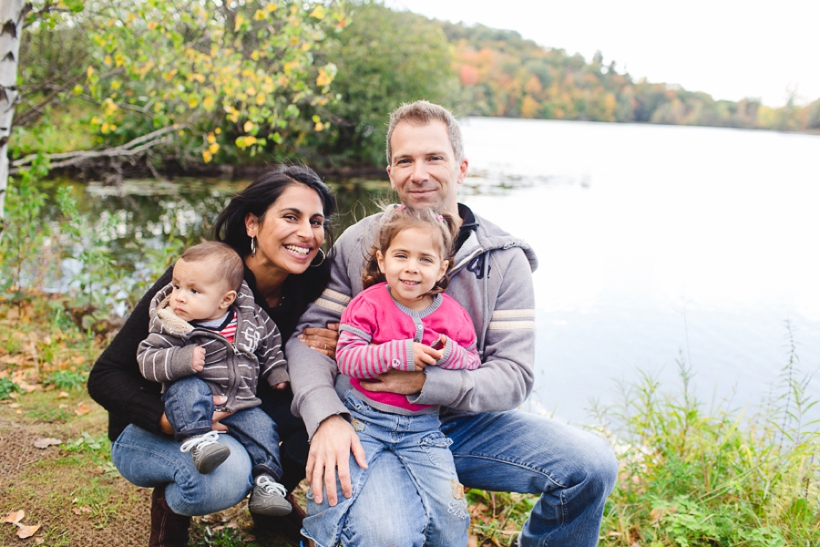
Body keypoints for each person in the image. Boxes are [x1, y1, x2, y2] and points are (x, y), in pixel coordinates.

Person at [288, 101, 619, 547]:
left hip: (465, 423)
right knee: (388, 536)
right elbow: (309, 340)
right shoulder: (361, 241)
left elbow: (512, 377)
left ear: (461, 167)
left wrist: (424, 381)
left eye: (434, 158)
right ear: (390, 173)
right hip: (372, 420)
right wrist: (327, 417)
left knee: (591, 464)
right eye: (405, 160)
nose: (418, 173)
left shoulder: (503, 260)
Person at [88, 165, 338, 547]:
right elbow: (105, 375)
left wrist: (344, 339)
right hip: (161, 419)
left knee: (330, 411)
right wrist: (165, 420)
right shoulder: (202, 278)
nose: (308, 233)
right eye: (291, 217)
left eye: (316, 221)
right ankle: (171, 515)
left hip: (242, 409)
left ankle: (270, 497)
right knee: (219, 481)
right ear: (252, 224)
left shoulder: (311, 280)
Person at [302, 206, 479, 547]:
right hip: (364, 421)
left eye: (425, 260)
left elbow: (472, 360)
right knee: (333, 489)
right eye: (401, 256)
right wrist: (402, 352)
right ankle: (316, 539)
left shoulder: (453, 316)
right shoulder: (368, 305)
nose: (412, 268)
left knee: (451, 508)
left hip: (422, 430)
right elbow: (348, 358)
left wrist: (448, 354)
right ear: (383, 261)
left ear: (442, 268)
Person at [136, 241, 292, 516]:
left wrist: (276, 370)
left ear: (226, 300)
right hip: (192, 398)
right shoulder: (173, 325)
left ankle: (266, 483)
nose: (180, 297)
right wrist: (181, 359)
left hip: (240, 401)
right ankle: (198, 442)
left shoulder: (250, 318)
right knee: (188, 389)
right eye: (177, 287)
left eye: (194, 291)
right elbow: (146, 358)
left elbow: (271, 342)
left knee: (264, 429)